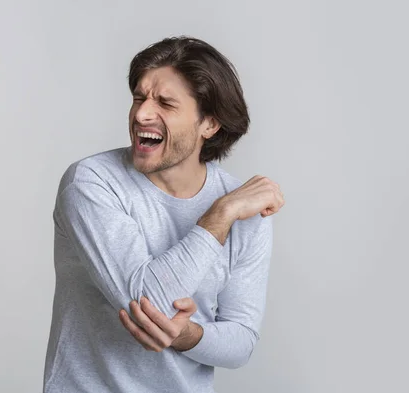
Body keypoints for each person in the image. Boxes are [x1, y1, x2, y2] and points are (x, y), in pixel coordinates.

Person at [43, 36, 285, 393]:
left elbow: (241, 340)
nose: (141, 113)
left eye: (165, 103)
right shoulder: (91, 183)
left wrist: (189, 336)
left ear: (209, 124)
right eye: (139, 97)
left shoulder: (244, 208)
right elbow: (147, 302)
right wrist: (220, 213)